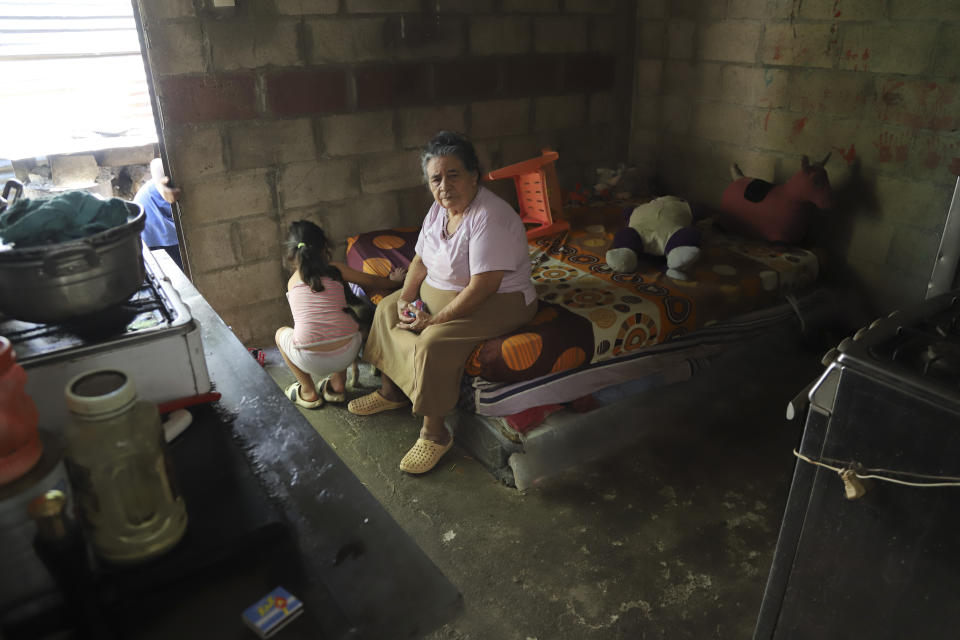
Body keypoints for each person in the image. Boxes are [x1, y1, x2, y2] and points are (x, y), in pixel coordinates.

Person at [348, 131, 538, 475]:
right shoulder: (438, 210)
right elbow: (420, 260)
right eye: (436, 178)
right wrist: (405, 299)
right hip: (446, 292)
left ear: (474, 176)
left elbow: (483, 286)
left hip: (499, 299)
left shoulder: (489, 217)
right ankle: (392, 392)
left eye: (454, 175)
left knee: (434, 342)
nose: (444, 185)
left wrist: (434, 322)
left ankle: (434, 433)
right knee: (387, 310)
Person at [276, 220, 404, 408]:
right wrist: (394, 281)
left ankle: (308, 391)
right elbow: (373, 281)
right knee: (340, 322)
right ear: (324, 248)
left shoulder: (292, 282)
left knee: (280, 333)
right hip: (349, 350)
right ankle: (337, 385)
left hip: (309, 361)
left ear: (291, 254)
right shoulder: (336, 270)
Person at [133, 157, 183, 270]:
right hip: (151, 214)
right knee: (173, 269)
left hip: (164, 219)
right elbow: (157, 163)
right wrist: (162, 187)